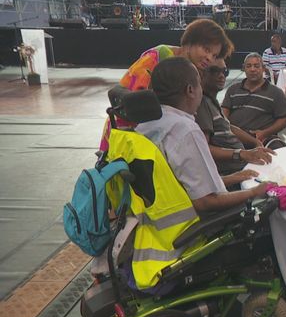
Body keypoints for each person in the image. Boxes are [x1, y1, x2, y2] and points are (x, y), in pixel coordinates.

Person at [136, 57, 271, 213]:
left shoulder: (146, 124)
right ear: (190, 90)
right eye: (199, 84)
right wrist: (254, 192)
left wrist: (235, 177)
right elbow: (205, 202)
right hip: (189, 225)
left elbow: (179, 184)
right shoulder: (185, 130)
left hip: (159, 214)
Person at [100, 19, 234, 151]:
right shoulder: (158, 56)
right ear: (190, 42)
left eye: (214, 55)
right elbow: (130, 99)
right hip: (125, 135)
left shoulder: (196, 71)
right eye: (206, 49)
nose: (209, 58)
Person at [196, 58, 276, 176]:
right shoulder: (202, 104)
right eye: (214, 71)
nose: (221, 75)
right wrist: (241, 153)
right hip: (232, 173)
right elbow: (203, 149)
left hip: (243, 161)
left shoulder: (212, 101)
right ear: (200, 73)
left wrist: (256, 142)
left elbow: (228, 126)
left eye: (224, 71)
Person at [222, 53, 286, 149]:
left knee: (281, 153)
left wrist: (264, 133)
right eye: (249, 66)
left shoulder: (276, 92)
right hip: (234, 137)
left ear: (263, 68)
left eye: (256, 66)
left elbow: (285, 120)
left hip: (263, 139)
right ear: (243, 68)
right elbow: (223, 116)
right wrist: (227, 131)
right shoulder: (233, 90)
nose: (252, 69)